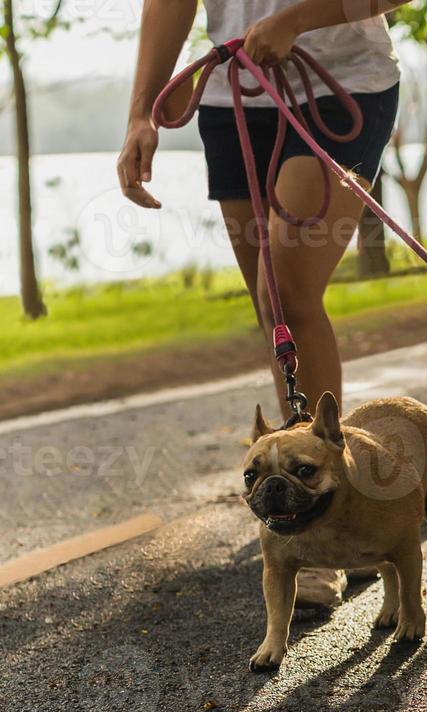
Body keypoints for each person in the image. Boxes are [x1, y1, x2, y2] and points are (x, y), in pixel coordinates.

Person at [118, 0, 410, 611]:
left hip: (342, 84)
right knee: (268, 301)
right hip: (230, 96)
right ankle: (320, 478)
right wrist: (141, 109)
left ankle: (327, 521)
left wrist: (298, 18)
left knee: (289, 289)